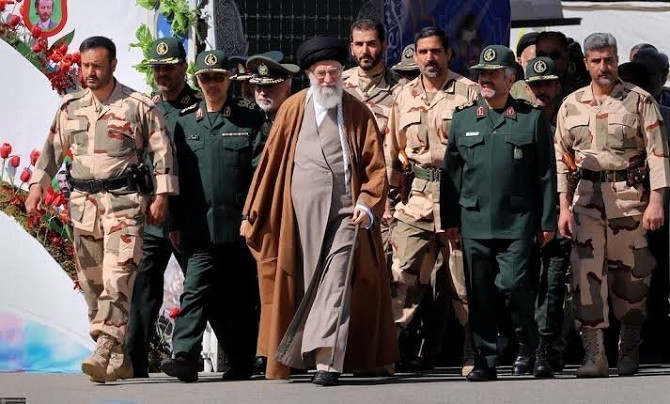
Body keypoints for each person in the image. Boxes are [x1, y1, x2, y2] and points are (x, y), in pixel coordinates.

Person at [241, 35, 397, 385]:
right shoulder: (292, 108)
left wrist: (367, 203)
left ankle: (328, 360)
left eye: (334, 72)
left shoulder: (356, 111)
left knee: (337, 280)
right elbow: (270, 166)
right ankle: (300, 355)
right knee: (303, 282)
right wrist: (253, 213)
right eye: (321, 73)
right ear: (309, 75)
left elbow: (375, 167)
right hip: (298, 216)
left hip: (346, 212)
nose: (328, 80)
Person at [25, 36, 178, 383]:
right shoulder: (70, 107)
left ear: (113, 65)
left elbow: (162, 152)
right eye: (85, 66)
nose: (89, 72)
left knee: (117, 279)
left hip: (124, 206)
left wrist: (162, 196)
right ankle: (120, 359)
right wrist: (37, 186)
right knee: (92, 287)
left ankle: (104, 348)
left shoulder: (137, 106)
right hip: (83, 208)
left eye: (96, 65)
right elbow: (51, 150)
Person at [554, 33, 670, 377]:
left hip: (628, 199)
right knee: (585, 276)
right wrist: (563, 207)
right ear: (586, 63)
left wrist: (657, 201)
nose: (603, 67)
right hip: (585, 200)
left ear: (617, 60)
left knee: (632, 278)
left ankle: (629, 347)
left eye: (609, 59)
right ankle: (595, 356)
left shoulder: (640, 100)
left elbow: (658, 154)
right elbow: (562, 160)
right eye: (596, 61)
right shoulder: (570, 104)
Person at [441, 45, 557, 382]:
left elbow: (546, 175)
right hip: (474, 220)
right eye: (482, 74)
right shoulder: (463, 119)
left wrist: (547, 221)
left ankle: (530, 343)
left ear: (510, 78)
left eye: (493, 74)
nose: (485, 80)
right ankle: (485, 359)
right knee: (479, 293)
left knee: (514, 285)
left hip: (517, 221)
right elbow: (451, 175)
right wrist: (450, 220)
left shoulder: (531, 118)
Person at [160, 49, 265, 383]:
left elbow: (260, 175)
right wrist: (175, 223)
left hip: (239, 227)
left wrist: (255, 218)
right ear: (197, 80)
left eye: (218, 77)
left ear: (228, 79)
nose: (212, 84)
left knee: (240, 297)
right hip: (199, 228)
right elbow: (176, 177)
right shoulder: (185, 122)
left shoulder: (249, 120)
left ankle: (243, 361)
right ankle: (184, 356)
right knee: (194, 291)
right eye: (205, 78)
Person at [386, 26, 477, 375]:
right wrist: (388, 201)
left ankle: (473, 352)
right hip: (417, 199)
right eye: (423, 52)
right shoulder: (404, 95)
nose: (430, 58)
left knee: (463, 280)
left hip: (459, 197)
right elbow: (392, 153)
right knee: (402, 276)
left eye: (436, 51)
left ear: (448, 54)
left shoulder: (469, 92)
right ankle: (387, 351)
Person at [125, 37, 199, 379]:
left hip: (190, 215)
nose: (162, 74)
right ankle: (134, 362)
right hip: (154, 216)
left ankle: (229, 358)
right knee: (143, 291)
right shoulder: (146, 108)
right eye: (157, 68)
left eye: (168, 68)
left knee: (201, 289)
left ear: (183, 67)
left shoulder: (199, 107)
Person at [524, 56, 571, 377]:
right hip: (526, 215)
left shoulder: (570, 117)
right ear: (527, 88)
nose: (541, 90)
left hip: (560, 212)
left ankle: (549, 346)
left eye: (547, 84)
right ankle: (527, 345)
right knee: (524, 283)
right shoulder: (519, 120)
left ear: (557, 86)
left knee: (555, 284)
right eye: (535, 85)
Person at [510, 32, 538, 101]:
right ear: (520, 61)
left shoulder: (556, 86)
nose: (537, 66)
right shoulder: (515, 90)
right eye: (531, 62)